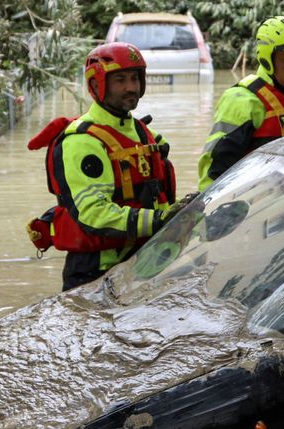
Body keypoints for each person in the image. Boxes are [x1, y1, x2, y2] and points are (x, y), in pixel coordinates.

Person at [26, 42, 179, 290]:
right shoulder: (81, 141)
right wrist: (159, 220)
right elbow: (93, 213)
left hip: (144, 263)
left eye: (134, 78)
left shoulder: (143, 132)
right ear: (97, 85)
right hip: (95, 271)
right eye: (120, 80)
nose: (131, 87)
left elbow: (160, 200)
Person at [197, 16, 284, 192]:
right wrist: (208, 209)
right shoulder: (242, 100)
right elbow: (215, 167)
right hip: (258, 203)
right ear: (267, 60)